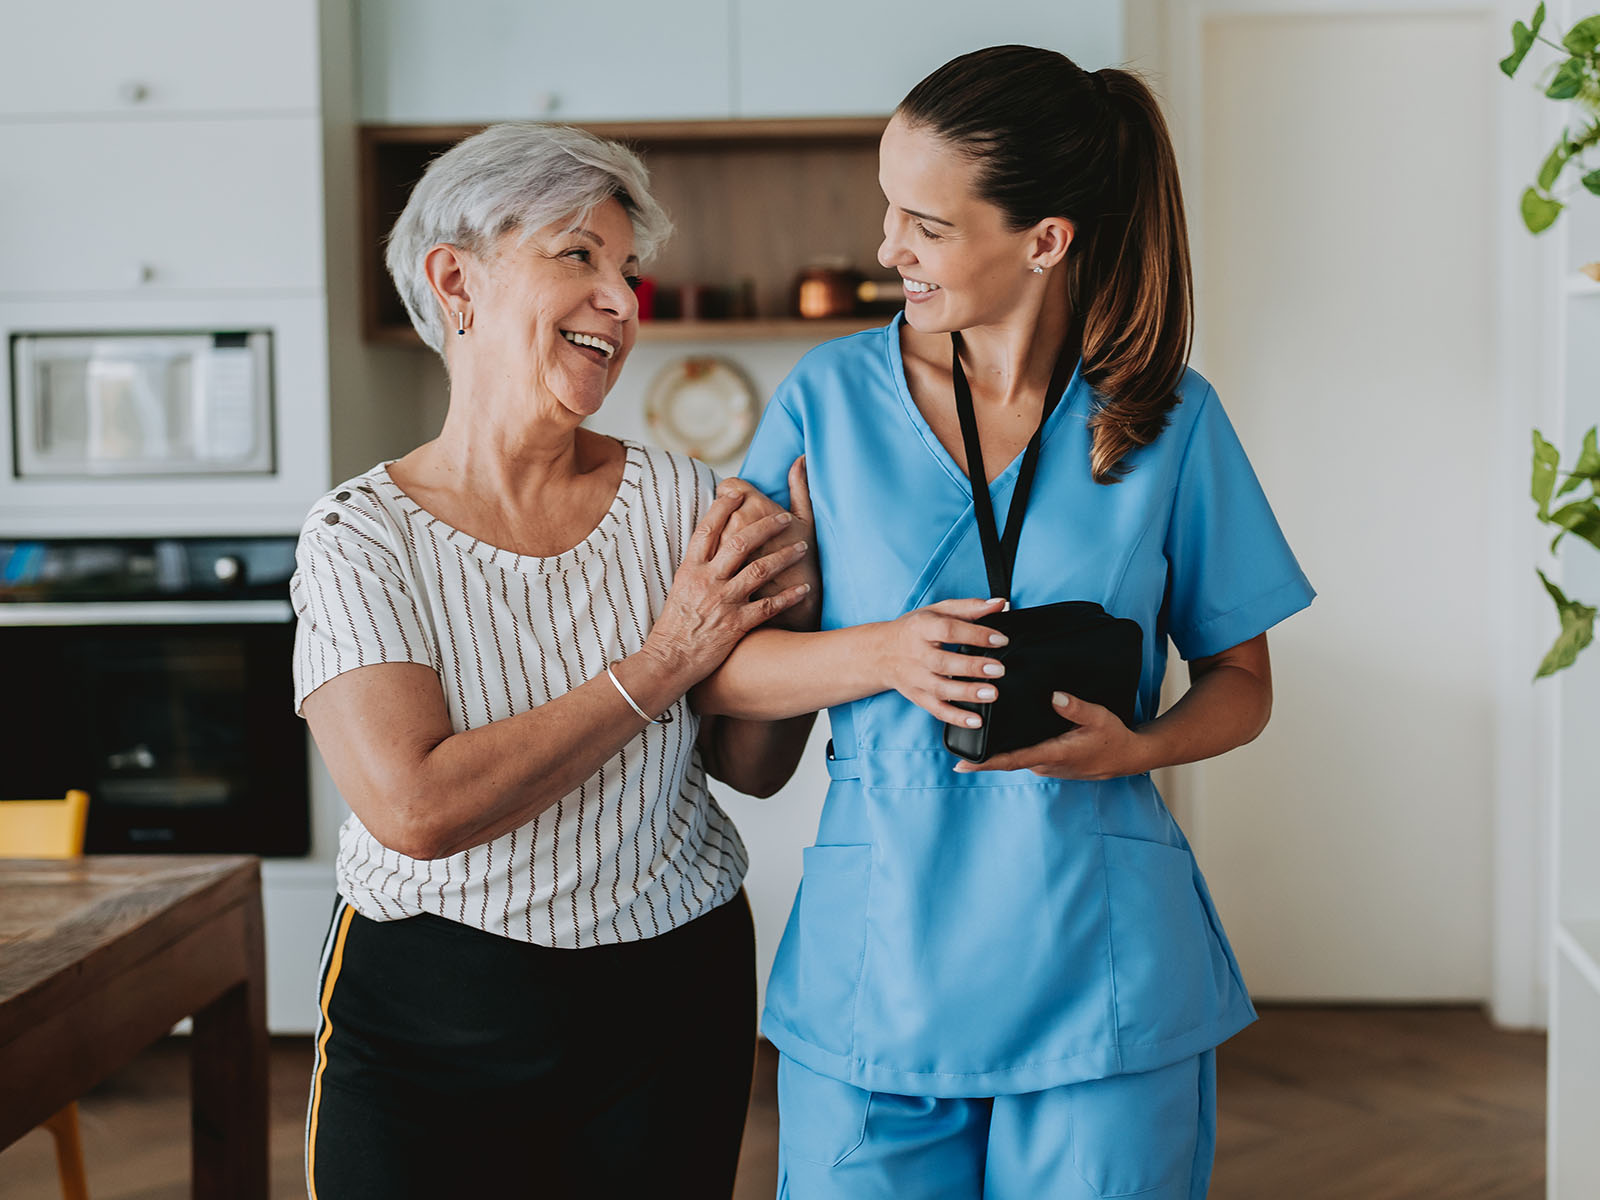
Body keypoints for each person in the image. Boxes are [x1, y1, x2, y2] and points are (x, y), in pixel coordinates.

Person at [699, 46, 1315, 1199]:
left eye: (924, 223)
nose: (888, 247)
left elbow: (1242, 680)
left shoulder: (1169, 417)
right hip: (878, 960)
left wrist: (1140, 747)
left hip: (1101, 961)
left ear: (1044, 239)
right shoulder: (824, 403)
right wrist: (882, 652)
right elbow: (724, 677)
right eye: (888, 208)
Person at [290, 122, 817, 1198]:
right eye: (579, 255)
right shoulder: (359, 537)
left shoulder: (684, 501)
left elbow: (751, 767)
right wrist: (668, 657)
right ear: (455, 281)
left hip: (672, 989)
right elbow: (417, 808)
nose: (623, 302)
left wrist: (796, 618)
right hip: (431, 1007)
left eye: (629, 271)